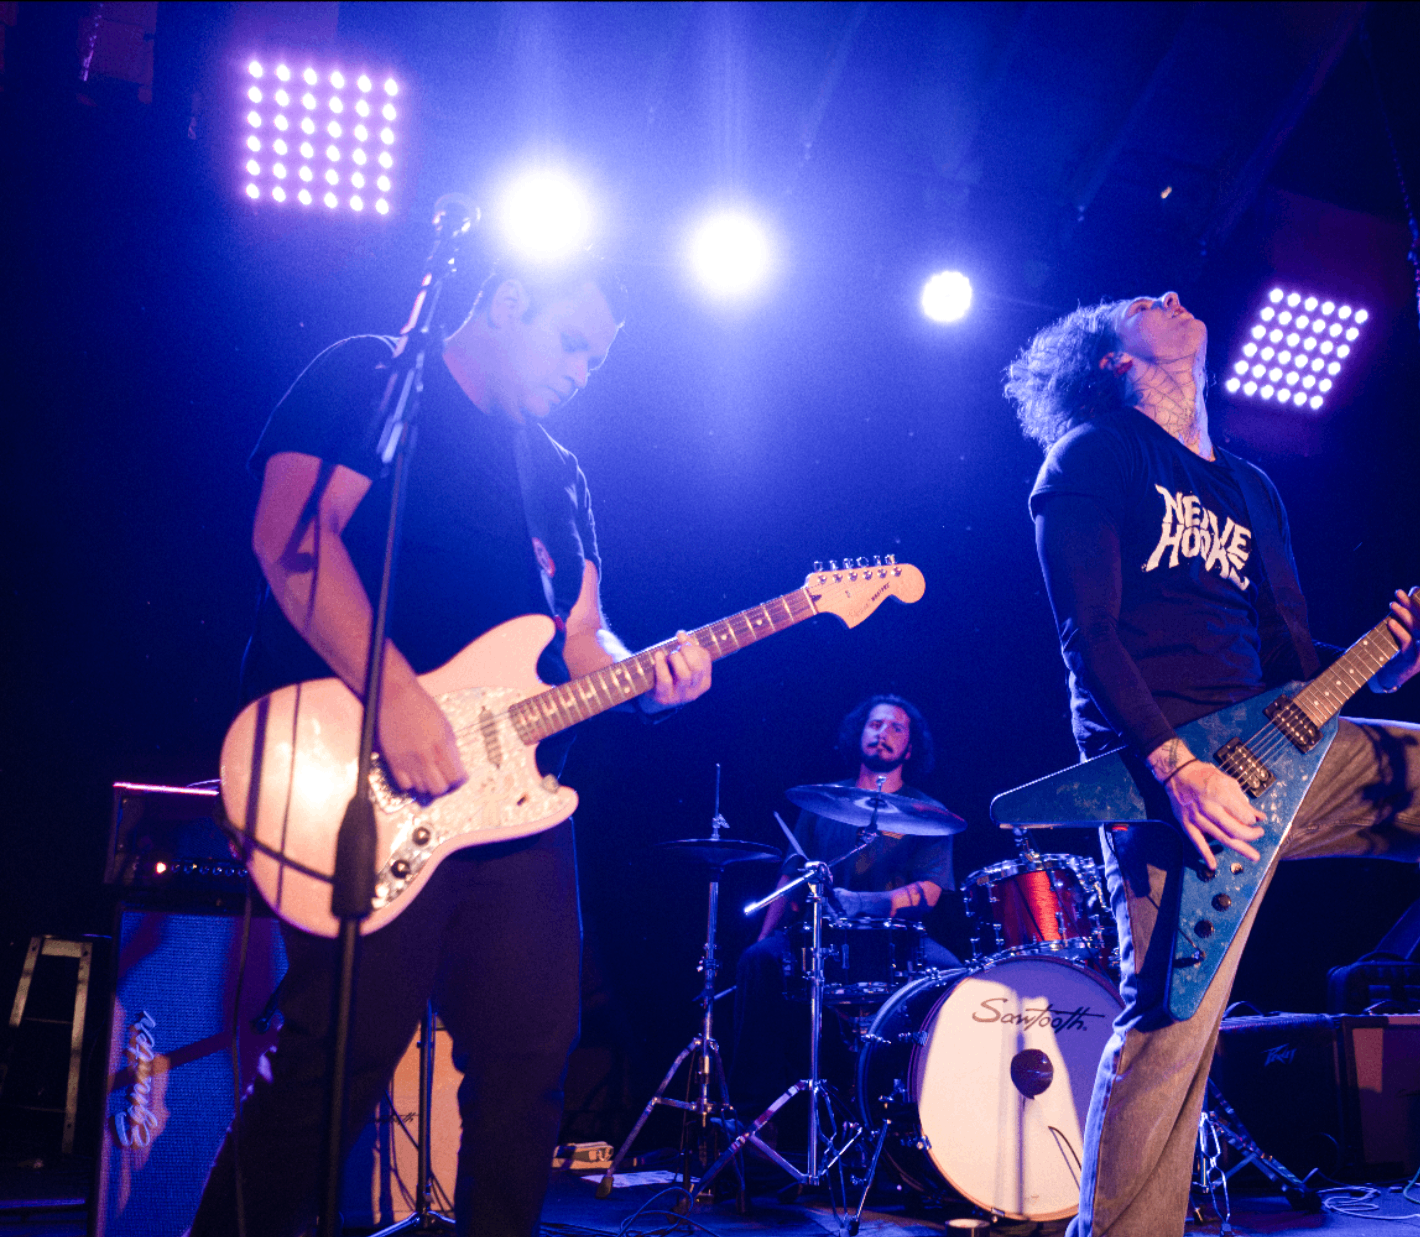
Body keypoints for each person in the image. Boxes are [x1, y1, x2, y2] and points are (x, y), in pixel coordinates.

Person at [1005, 291, 1420, 1237]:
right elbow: (1086, 636)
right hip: (1169, 778)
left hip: (1294, 753)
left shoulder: (1253, 490)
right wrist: (1177, 769)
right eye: (1144, 303)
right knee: (1171, 1032)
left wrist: (1396, 656)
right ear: (1112, 362)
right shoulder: (1094, 455)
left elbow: (1297, 663)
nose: (1172, 296)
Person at [191, 254, 714, 1236]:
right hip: (357, 771)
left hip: (509, 802)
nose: (581, 371)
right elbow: (291, 537)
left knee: (528, 1059)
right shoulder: (374, 378)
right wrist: (395, 697)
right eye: (571, 342)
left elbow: (584, 640)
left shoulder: (558, 474)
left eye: (599, 361)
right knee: (339, 1051)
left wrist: (658, 674)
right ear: (507, 301)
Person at [730, 696, 959, 1129]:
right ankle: (754, 1126)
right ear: (860, 734)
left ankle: (938, 1125)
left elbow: (928, 893)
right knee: (756, 963)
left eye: (896, 728)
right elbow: (789, 882)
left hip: (898, 942)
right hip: (822, 936)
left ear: (910, 748)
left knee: (957, 980)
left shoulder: (930, 814)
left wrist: (865, 903)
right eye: (875, 725)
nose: (883, 734)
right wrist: (764, 938)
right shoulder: (820, 804)